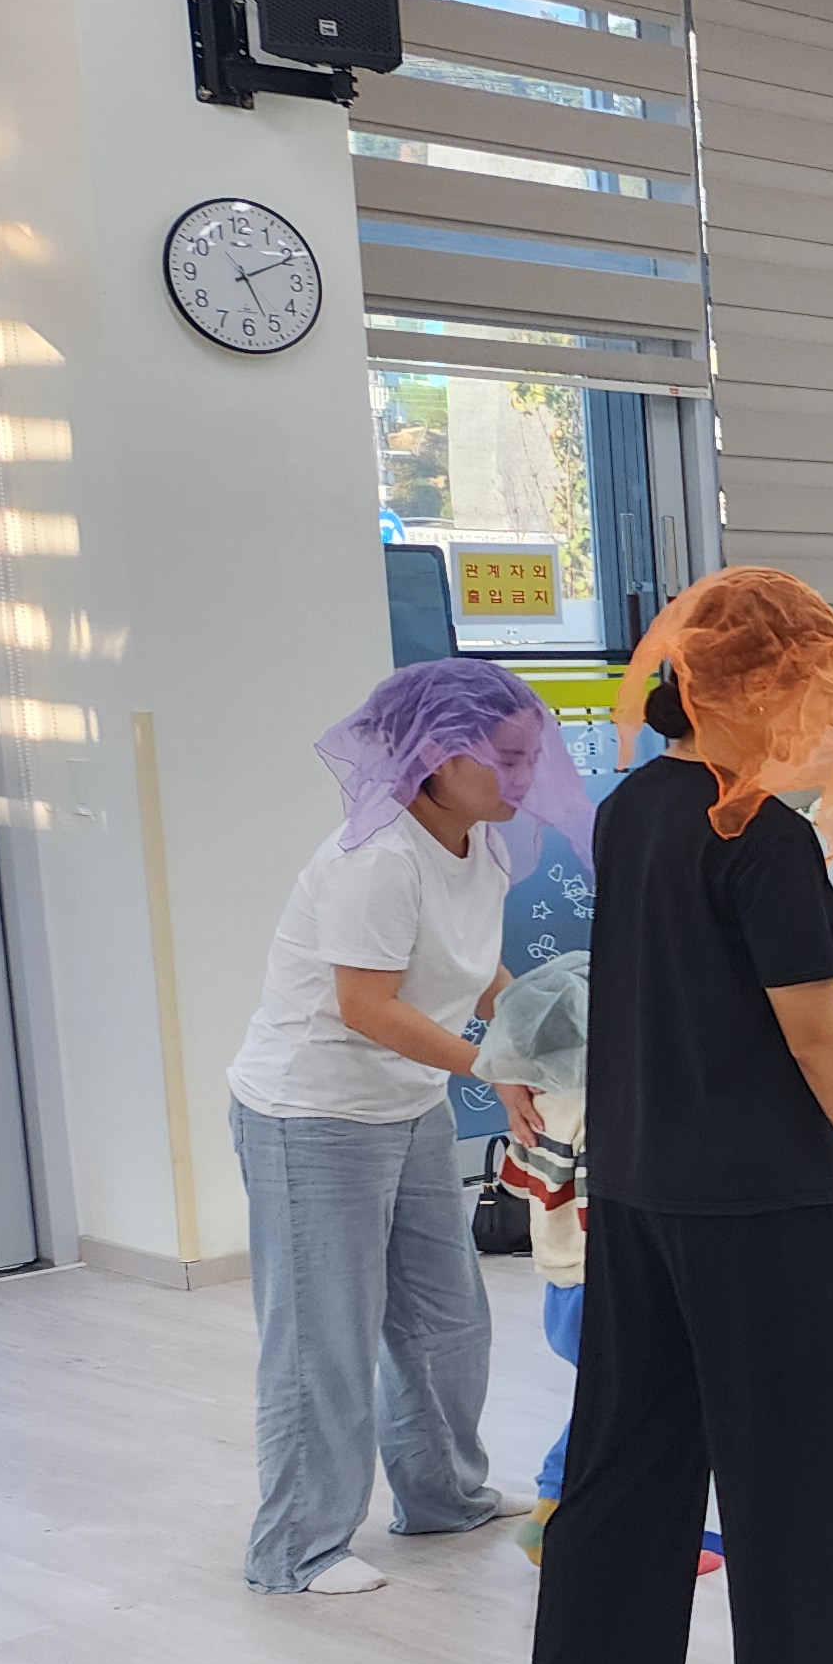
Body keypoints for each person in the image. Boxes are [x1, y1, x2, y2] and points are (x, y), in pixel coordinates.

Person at [519, 568, 833, 1664]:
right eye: (807, 682)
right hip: (755, 1201)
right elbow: (815, 1038)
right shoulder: (758, 836)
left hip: (636, 1185)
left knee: (626, 1449)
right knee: (791, 1467)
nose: (821, 708)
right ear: (756, 686)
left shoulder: (633, 807)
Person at [225, 658, 586, 1595]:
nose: (524, 778)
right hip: (312, 1115)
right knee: (323, 1339)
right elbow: (366, 1006)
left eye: (530, 757)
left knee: (446, 1320)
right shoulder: (377, 859)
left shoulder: (481, 843)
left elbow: (477, 967)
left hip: (408, 1104)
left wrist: (531, 1040)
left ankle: (443, 1494)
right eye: (505, 759)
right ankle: (297, 1549)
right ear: (436, 758)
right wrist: (495, 1066)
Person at [470, 949, 593, 1565]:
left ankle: (563, 1517)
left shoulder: (538, 1108)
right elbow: (603, 1217)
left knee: (604, 1399)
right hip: (603, 1287)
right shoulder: (599, 1115)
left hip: (561, 1286)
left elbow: (519, 1185)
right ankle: (552, 1518)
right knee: (613, 1406)